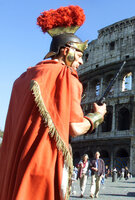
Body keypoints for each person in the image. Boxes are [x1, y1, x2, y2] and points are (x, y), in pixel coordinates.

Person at [0, 5, 107, 200]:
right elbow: (74, 127)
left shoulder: (22, 79)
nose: (81, 62)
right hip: (44, 163)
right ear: (67, 51)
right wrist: (97, 116)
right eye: (80, 55)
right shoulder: (65, 76)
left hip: (15, 165)